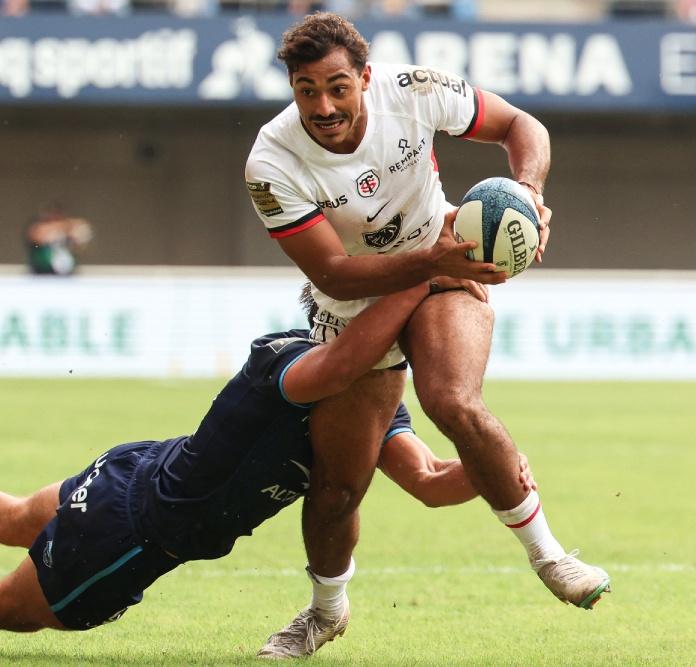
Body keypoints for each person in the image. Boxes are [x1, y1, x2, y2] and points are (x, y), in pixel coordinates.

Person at [0, 278, 530, 653]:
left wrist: (497, 464)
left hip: (137, 470)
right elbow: (347, 358)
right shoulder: (297, 362)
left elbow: (433, 481)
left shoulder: (370, 400)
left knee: (10, 515)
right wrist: (428, 271)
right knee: (11, 607)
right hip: (132, 533)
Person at [244, 12, 609, 657]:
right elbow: (335, 271)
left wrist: (528, 191)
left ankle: (551, 558)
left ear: (365, 77)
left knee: (452, 402)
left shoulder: (412, 90)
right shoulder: (271, 161)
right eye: (306, 90)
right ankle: (326, 611)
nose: (323, 106)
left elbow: (522, 125)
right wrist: (431, 263)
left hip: (444, 267)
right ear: (292, 88)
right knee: (337, 485)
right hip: (353, 304)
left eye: (337, 87)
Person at [23, 205, 94, 276]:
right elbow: (38, 236)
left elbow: (81, 238)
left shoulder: (68, 233)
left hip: (66, 274)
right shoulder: (37, 228)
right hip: (41, 273)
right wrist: (64, 227)